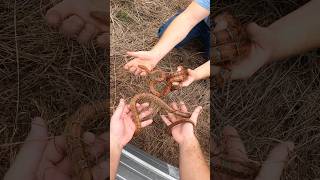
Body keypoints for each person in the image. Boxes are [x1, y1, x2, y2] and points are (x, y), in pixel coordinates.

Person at [124, 0, 210, 87]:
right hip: (202, 19)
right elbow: (189, 18)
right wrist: (156, 54)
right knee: (164, 33)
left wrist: (196, 74)